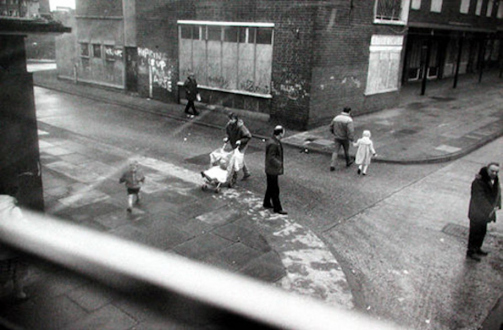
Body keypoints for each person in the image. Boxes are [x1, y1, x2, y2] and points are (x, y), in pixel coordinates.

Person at [466, 162, 501, 261]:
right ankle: (471, 251)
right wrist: (490, 209)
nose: (494, 173)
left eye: (496, 172)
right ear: (487, 170)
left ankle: (477, 248)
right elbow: (479, 198)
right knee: (475, 232)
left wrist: (498, 204)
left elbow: (498, 192)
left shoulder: (494, 180)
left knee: (482, 231)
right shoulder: (478, 182)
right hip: (477, 213)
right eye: (492, 171)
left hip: (485, 213)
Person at [0, 183, 28, 300]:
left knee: (2, 274)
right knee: (19, 271)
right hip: (15, 247)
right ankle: (19, 292)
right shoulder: (13, 209)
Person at [263, 125, 287, 215]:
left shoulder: (274, 140)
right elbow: (271, 157)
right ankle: (277, 208)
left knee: (270, 187)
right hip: (272, 170)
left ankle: (266, 202)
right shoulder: (273, 143)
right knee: (275, 189)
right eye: (283, 132)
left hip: (270, 169)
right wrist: (279, 164)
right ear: (280, 133)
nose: (284, 133)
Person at [224, 112, 252, 180]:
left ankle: (236, 174)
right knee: (239, 157)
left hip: (242, 144)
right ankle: (247, 172)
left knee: (237, 157)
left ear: (236, 119)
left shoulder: (241, 127)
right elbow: (228, 133)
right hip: (234, 143)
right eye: (229, 119)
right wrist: (227, 138)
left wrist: (240, 141)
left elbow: (248, 136)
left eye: (232, 119)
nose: (230, 121)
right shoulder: (229, 125)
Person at [329, 107, 355, 171]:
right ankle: (348, 161)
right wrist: (351, 138)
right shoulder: (349, 120)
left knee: (335, 151)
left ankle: (332, 164)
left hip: (337, 137)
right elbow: (350, 130)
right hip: (345, 138)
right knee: (346, 150)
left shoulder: (336, 118)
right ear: (349, 112)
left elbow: (331, 127)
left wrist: (334, 132)